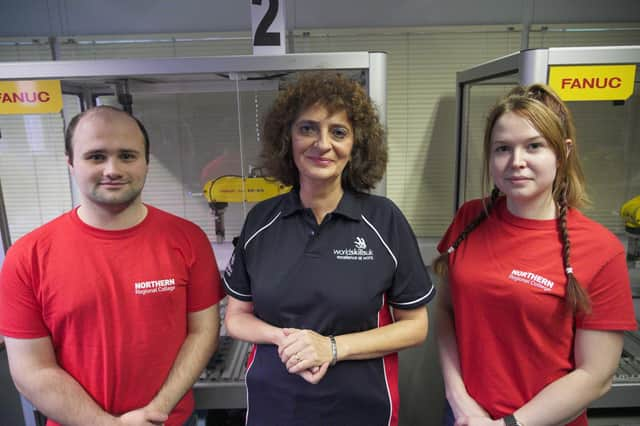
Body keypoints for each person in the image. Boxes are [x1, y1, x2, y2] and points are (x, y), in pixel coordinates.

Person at [222, 72, 434, 426]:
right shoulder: (261, 220)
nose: (322, 144)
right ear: (286, 139)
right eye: (307, 128)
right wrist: (286, 339)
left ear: (355, 146)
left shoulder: (383, 220)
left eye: (338, 132)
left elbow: (415, 327)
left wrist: (332, 348)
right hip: (275, 404)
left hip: (361, 407)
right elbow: (236, 318)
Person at [0, 106, 224, 426]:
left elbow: (203, 332)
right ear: (70, 163)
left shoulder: (188, 240)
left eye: (127, 156)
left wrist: (156, 411)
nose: (112, 169)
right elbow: (30, 369)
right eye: (95, 156)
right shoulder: (27, 257)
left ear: (146, 162)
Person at [433, 84, 637, 426]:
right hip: (464, 417)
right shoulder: (469, 218)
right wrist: (460, 401)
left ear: (563, 151)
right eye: (502, 149)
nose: (516, 162)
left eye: (534, 146)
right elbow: (445, 312)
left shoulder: (600, 249)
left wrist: (508, 425)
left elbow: (597, 376)